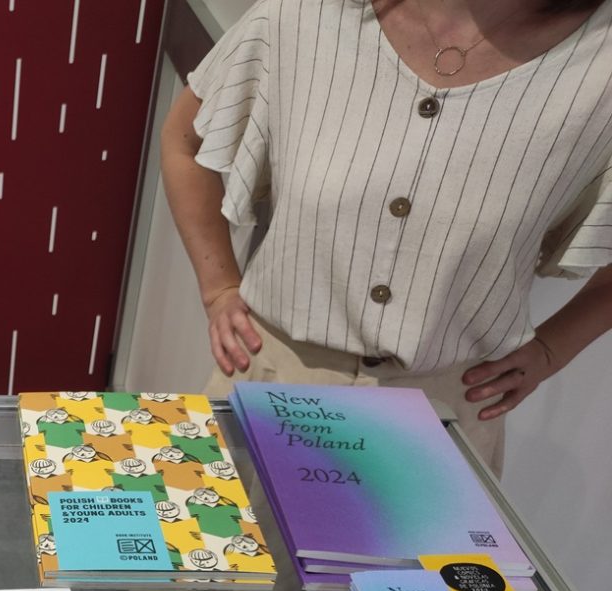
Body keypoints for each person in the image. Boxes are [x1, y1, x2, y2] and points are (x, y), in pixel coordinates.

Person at [160, 0, 612, 473]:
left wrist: (552, 350)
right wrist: (218, 289)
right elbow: (185, 140)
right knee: (207, 521)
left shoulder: (599, 66)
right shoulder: (306, 15)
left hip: (442, 424)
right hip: (268, 385)